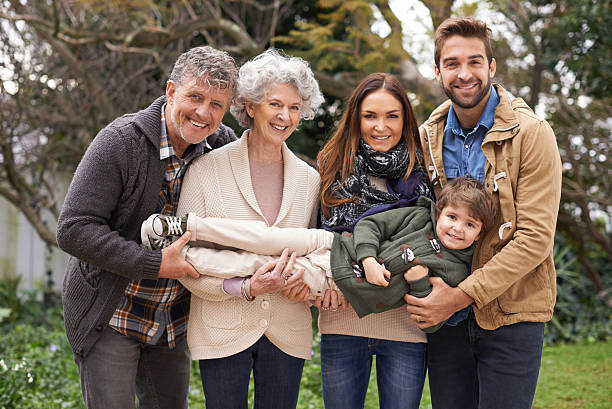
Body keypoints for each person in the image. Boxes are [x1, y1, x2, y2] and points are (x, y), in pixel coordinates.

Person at [55, 46, 238, 409]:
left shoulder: (223, 148)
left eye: (217, 104)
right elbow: (73, 228)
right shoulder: (121, 142)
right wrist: (155, 264)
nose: (204, 112)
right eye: (195, 97)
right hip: (112, 314)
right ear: (171, 91)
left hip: (171, 320)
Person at [404, 17, 562, 409]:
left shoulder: (532, 133)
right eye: (452, 63)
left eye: (475, 62)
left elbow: (534, 239)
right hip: (448, 321)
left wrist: (460, 296)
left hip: (512, 314)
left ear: (491, 68)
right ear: (438, 71)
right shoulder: (428, 136)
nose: (465, 73)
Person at [141, 176, 497, 333]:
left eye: (470, 226)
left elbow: (431, 320)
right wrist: (370, 258)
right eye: (452, 217)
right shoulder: (419, 216)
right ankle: (186, 226)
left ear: (480, 233)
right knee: (265, 237)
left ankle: (179, 255)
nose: (457, 229)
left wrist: (418, 283)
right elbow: (369, 227)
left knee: (258, 265)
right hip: (331, 244)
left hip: (335, 282)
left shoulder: (456, 272)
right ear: (440, 213)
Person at [172, 49, 325, 409]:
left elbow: (320, 254)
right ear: (251, 105)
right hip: (221, 328)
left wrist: (308, 282)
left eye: (294, 107)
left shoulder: (310, 180)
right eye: (275, 104)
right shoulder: (205, 170)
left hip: (288, 328)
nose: (285, 116)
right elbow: (185, 260)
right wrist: (244, 287)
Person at [317, 72, 433, 409]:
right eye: (370, 116)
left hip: (406, 326)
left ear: (405, 119)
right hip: (341, 318)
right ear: (356, 118)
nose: (380, 126)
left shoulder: (424, 172)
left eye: (392, 116)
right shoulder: (332, 167)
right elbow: (321, 240)